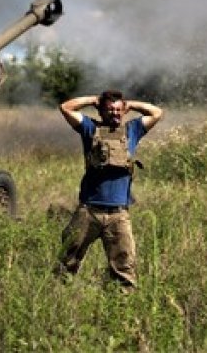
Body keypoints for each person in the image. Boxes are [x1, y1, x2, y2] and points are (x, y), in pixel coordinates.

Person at [56, 90, 163, 289]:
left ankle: (123, 309)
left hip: (119, 214)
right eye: (109, 109)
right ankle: (59, 297)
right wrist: (93, 100)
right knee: (67, 260)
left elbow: (156, 113)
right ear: (101, 111)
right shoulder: (90, 128)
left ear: (123, 111)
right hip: (88, 211)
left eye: (117, 109)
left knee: (124, 266)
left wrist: (130, 104)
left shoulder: (132, 130)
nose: (114, 113)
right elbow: (65, 107)